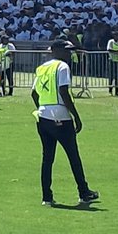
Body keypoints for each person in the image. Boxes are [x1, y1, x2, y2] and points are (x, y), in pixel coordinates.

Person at [32, 40, 99, 208]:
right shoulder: (62, 67)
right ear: (55, 50)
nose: (69, 54)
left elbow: (34, 93)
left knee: (47, 158)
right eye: (66, 50)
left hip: (43, 115)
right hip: (60, 114)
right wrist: (75, 115)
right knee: (73, 156)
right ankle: (83, 192)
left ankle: (47, 196)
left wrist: (42, 108)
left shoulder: (42, 68)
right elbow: (64, 91)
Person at [105, 31, 118, 96]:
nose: (117, 37)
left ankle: (117, 91)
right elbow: (109, 49)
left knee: (117, 77)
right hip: (112, 60)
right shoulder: (111, 41)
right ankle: (110, 89)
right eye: (116, 35)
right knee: (111, 76)